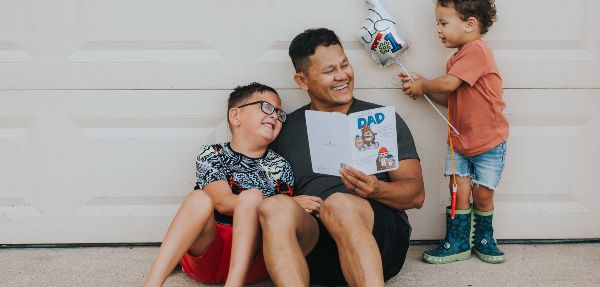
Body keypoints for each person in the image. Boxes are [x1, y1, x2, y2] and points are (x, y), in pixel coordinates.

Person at [258, 28, 425, 286]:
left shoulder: (382, 119)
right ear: (302, 81)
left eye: (344, 65)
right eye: (329, 71)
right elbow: (258, 187)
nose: (342, 76)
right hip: (315, 247)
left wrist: (376, 189)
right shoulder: (285, 129)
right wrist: (288, 200)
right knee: (273, 206)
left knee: (340, 203)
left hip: (379, 240)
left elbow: (416, 195)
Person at [144, 82, 294, 287]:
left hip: (253, 259)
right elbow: (222, 202)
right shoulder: (213, 153)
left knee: (254, 199)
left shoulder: (280, 165)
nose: (275, 116)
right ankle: (152, 283)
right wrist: (252, 201)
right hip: (208, 252)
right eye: (267, 107)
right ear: (235, 116)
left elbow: (279, 218)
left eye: (279, 113)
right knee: (199, 198)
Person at [401, 0, 508, 264]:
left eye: (443, 23)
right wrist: (422, 87)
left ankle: (484, 238)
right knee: (457, 191)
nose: (438, 29)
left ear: (470, 24)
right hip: (460, 141)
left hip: (488, 142)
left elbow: (449, 84)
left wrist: (424, 85)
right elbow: (452, 99)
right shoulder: (457, 58)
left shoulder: (477, 51)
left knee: (483, 194)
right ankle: (457, 242)